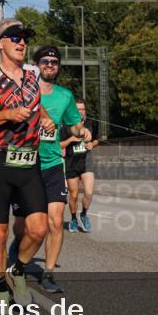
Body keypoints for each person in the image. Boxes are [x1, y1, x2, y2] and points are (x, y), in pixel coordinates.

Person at [0, 19, 55, 306]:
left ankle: (18, 269)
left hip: (29, 160)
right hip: (0, 159)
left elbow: (37, 104)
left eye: (24, 37)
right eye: (15, 37)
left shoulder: (33, 73)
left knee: (39, 228)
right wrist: (7, 116)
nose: (22, 42)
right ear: (0, 43)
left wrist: (44, 118)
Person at [10, 46, 91, 293]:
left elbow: (73, 125)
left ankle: (49, 272)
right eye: (45, 61)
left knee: (56, 221)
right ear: (36, 65)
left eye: (54, 62)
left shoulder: (65, 96)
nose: (50, 65)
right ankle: (19, 245)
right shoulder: (22, 91)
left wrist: (81, 131)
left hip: (53, 164)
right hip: (24, 163)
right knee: (25, 225)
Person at [64, 98, 99, 233]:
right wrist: (71, 139)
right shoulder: (66, 125)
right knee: (73, 195)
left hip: (86, 162)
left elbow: (97, 140)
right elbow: (59, 144)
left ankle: (83, 215)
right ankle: (73, 218)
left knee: (89, 193)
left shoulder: (90, 123)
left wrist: (92, 144)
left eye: (83, 109)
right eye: (78, 109)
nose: (81, 111)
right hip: (71, 163)